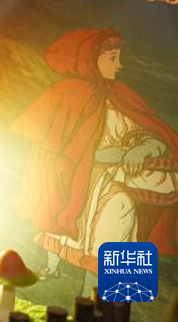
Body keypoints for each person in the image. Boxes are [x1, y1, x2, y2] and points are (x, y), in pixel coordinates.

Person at [11, 28, 178, 292]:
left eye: (118, 57)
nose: (119, 65)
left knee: (123, 211)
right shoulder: (66, 93)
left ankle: (119, 292)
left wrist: (143, 150)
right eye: (112, 58)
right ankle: (90, 290)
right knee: (116, 209)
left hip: (116, 177)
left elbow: (151, 135)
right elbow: (61, 147)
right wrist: (108, 156)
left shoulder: (122, 96)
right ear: (91, 59)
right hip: (79, 178)